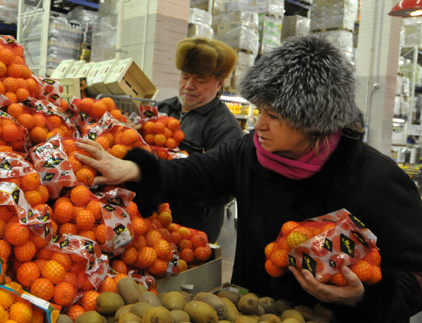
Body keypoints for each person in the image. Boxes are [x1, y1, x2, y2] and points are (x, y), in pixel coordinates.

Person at [75, 35, 422, 322]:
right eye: (260, 112)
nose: (259, 125)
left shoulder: (376, 179)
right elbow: (196, 174)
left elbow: (415, 277)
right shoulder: (251, 152)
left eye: (272, 116)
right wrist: (133, 169)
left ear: (311, 122)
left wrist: (363, 296)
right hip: (249, 309)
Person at [156, 37, 244, 242]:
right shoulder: (163, 109)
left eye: (200, 80)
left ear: (219, 83)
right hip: (156, 216)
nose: (189, 86)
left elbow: (225, 187)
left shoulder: (224, 128)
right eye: (185, 77)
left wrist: (180, 178)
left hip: (191, 229)